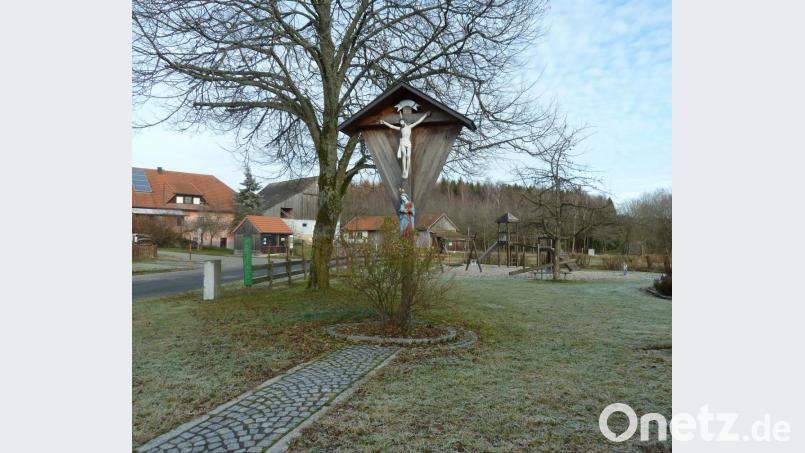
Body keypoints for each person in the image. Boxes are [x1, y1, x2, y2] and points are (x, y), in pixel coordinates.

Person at [380, 111, 430, 179]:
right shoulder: (400, 128)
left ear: (404, 121)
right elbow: (392, 126)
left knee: (408, 156)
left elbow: (418, 122)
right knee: (404, 155)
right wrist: (384, 122)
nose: (401, 123)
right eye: (400, 123)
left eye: (402, 122)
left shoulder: (409, 127)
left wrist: (425, 115)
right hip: (403, 142)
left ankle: (407, 170)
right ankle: (404, 170)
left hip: (408, 142)